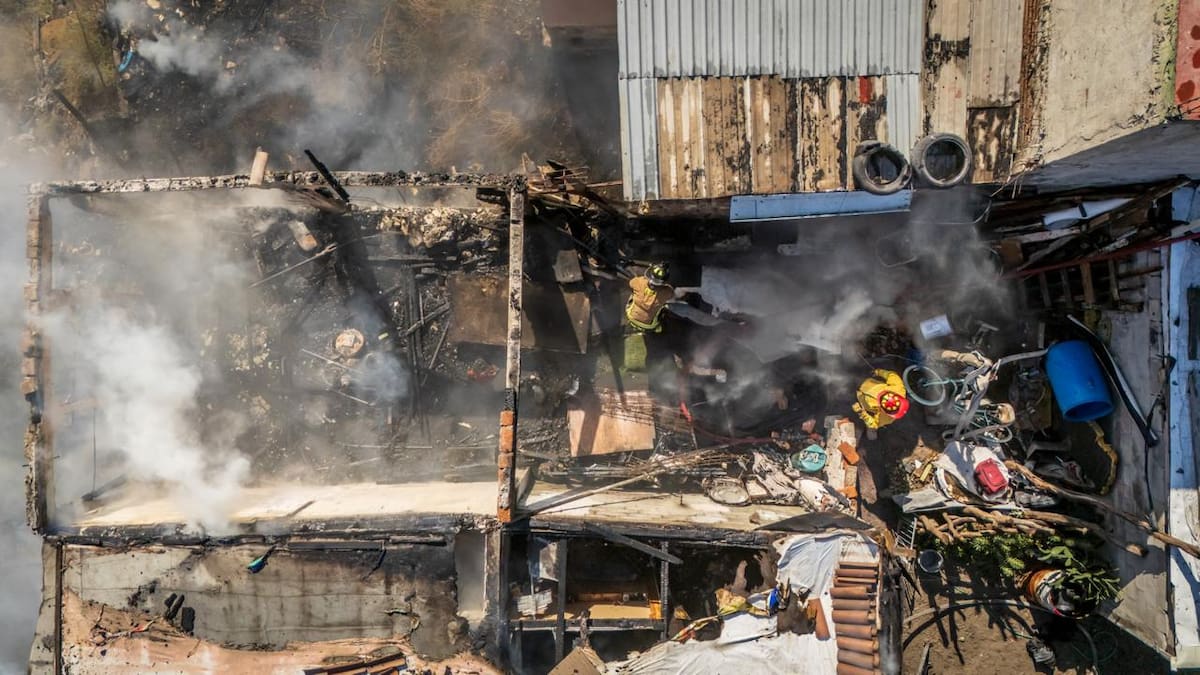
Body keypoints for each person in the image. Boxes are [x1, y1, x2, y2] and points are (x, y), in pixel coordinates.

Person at [624, 262, 674, 333]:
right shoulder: (666, 292)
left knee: (633, 293)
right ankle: (658, 326)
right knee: (665, 306)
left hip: (631, 318)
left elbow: (631, 283)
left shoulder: (639, 281)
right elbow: (671, 292)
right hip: (649, 326)